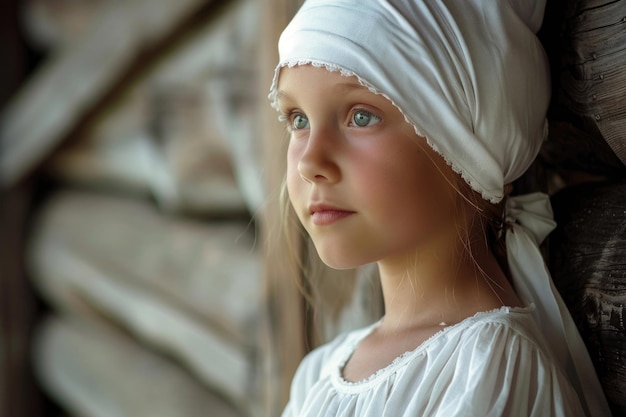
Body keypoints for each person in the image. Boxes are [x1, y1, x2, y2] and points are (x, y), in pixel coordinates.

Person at [267, 0, 611, 416]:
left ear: (463, 145)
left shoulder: (487, 370)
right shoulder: (319, 373)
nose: (310, 162)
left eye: (361, 116)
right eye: (298, 119)